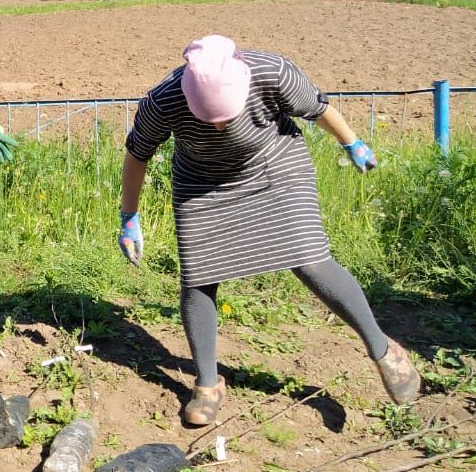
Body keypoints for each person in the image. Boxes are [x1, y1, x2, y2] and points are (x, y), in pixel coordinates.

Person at [117, 36, 420, 426]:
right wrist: (129, 216)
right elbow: (137, 153)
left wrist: (352, 142)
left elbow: (318, 108)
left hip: (276, 169)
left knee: (309, 260)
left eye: (227, 115)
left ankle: (384, 351)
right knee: (198, 278)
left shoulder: (271, 72)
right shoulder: (164, 100)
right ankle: (208, 383)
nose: (221, 124)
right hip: (202, 185)